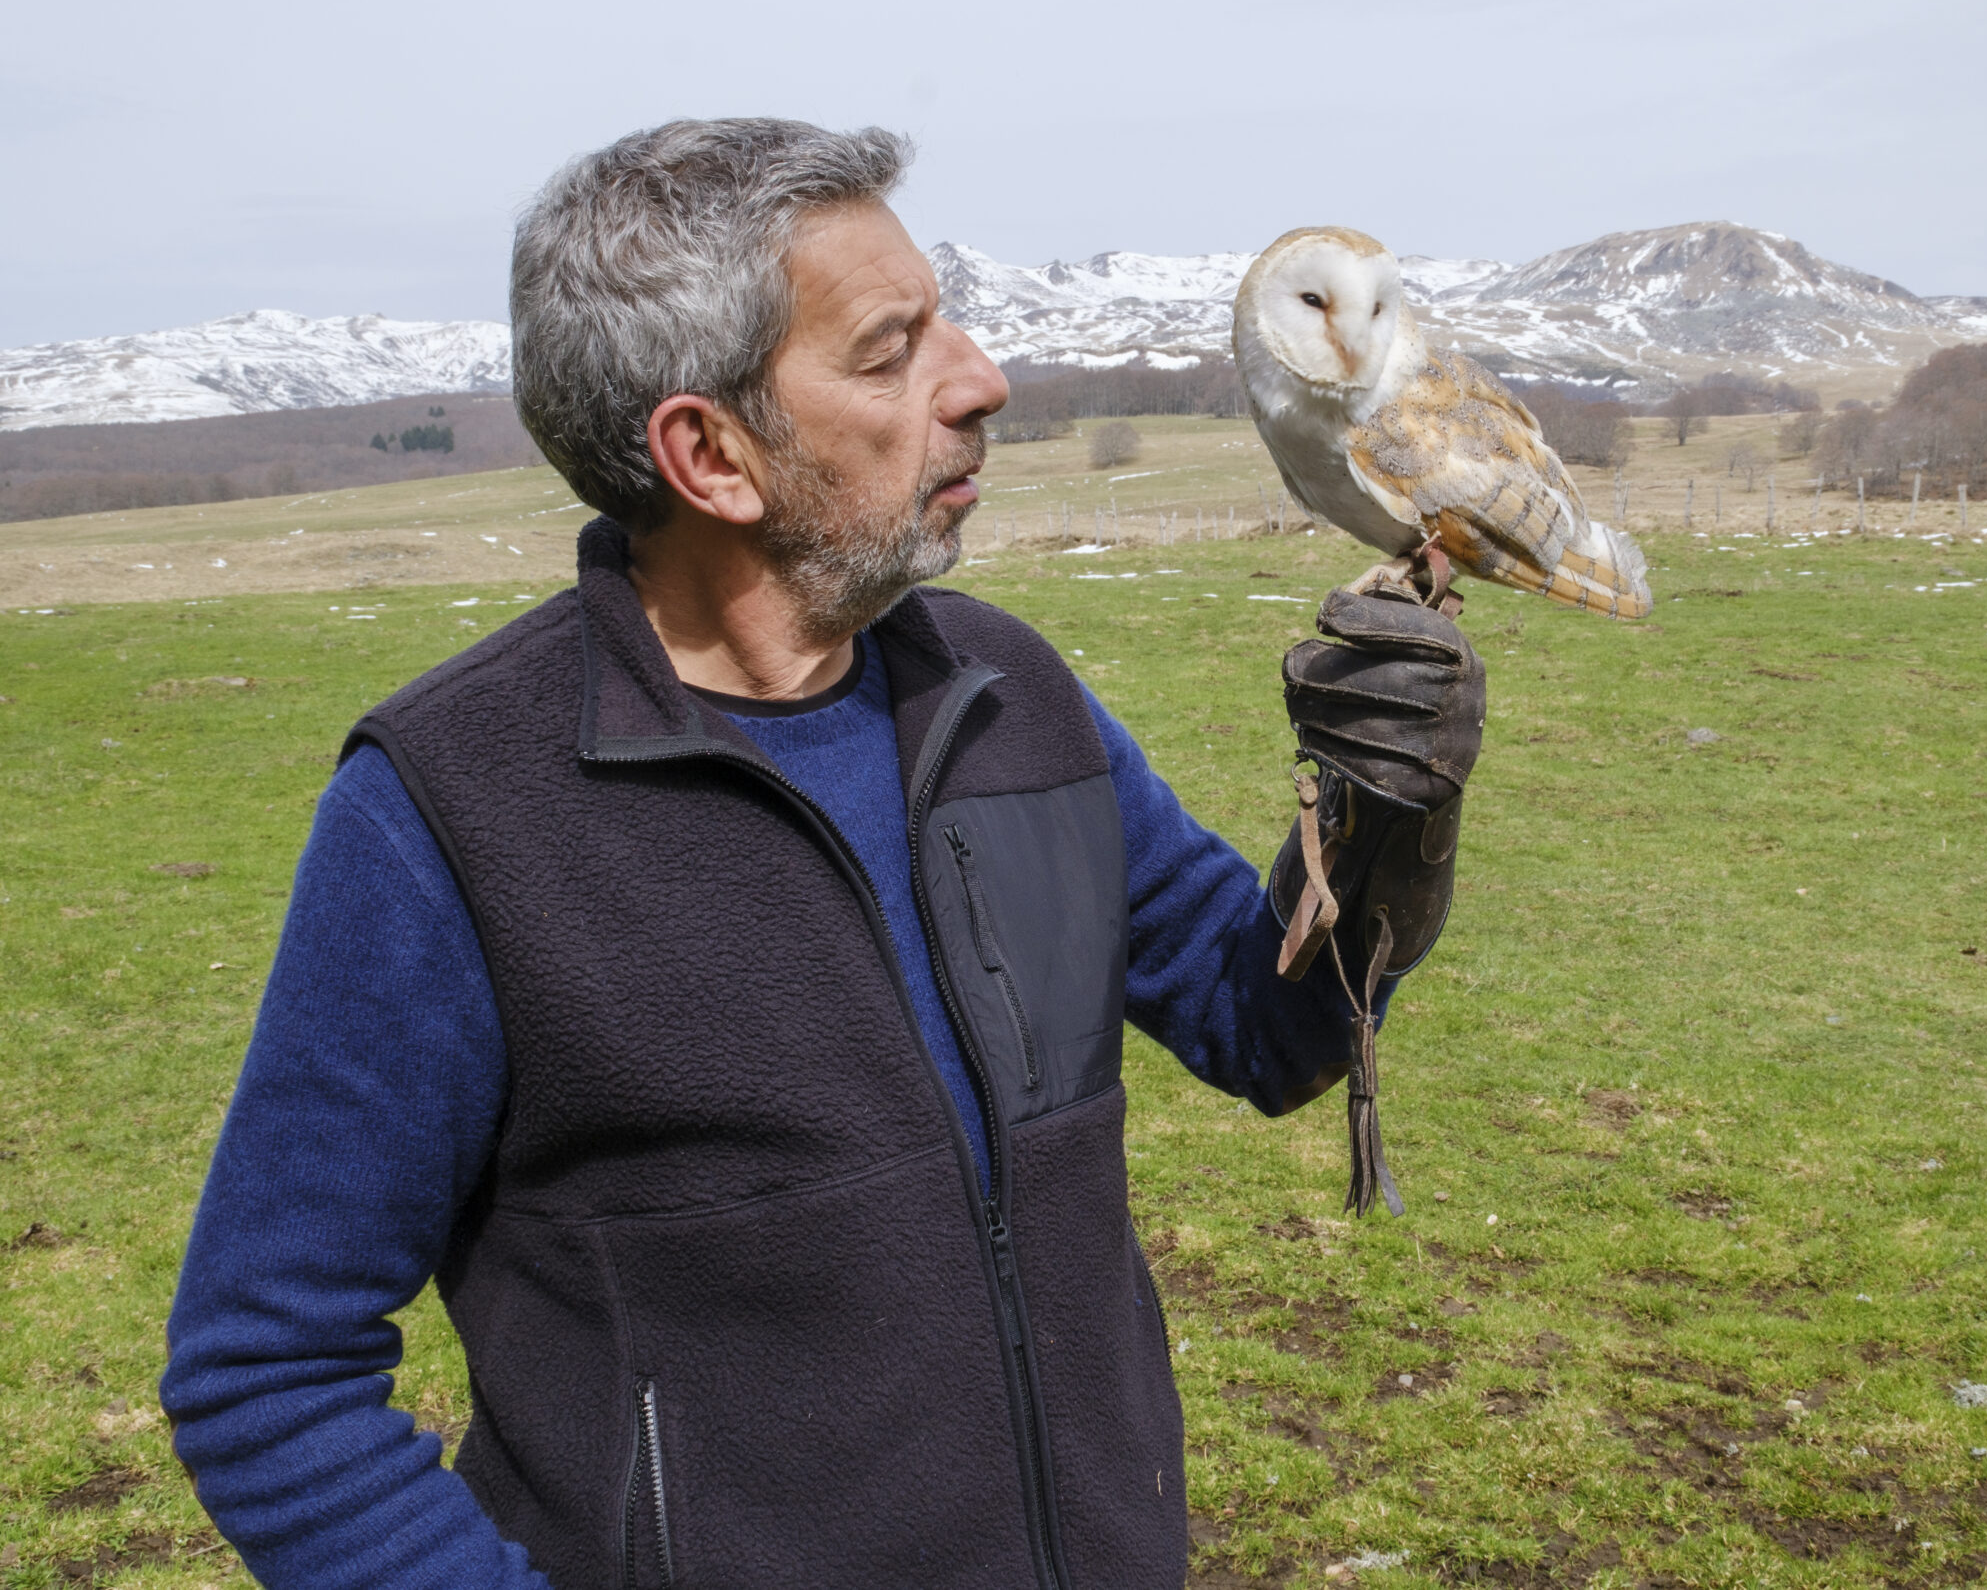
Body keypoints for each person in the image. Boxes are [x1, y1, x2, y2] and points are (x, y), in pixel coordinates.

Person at [161, 118, 1482, 1590]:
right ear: (710, 455)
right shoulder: (450, 814)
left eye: (950, 321)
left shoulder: (1009, 699)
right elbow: (265, 1373)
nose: (980, 380)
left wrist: (1382, 817)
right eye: (888, 352)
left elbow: (1267, 1024)